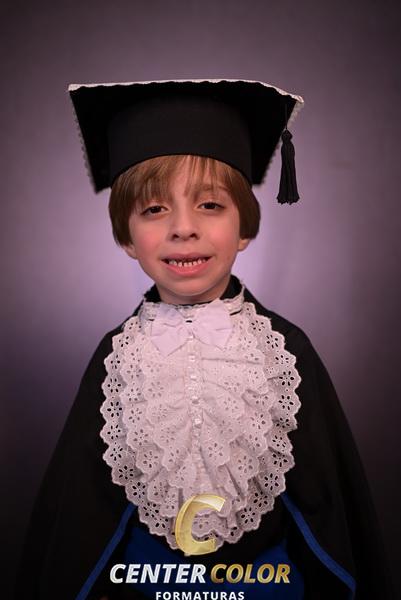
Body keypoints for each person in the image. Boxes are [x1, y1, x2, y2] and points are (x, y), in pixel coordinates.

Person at [15, 79, 393, 600]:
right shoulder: (116, 358)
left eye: (210, 205)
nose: (183, 228)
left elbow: (326, 502)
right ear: (127, 238)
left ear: (245, 229)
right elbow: (82, 512)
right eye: (154, 209)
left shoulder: (285, 350)